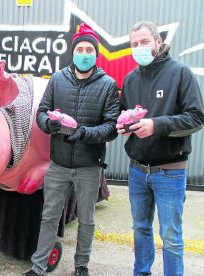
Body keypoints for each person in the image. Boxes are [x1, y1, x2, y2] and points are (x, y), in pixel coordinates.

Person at [24, 23, 120, 276]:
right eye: (80, 49)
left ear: (96, 55)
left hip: (89, 165)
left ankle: (81, 266)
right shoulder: (57, 79)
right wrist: (49, 124)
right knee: (49, 217)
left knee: (86, 221)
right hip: (58, 164)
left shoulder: (108, 85)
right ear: (73, 52)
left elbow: (111, 127)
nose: (84, 53)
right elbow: (41, 112)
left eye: (89, 49)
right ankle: (39, 267)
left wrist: (85, 133)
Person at [117, 21, 204, 276]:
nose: (139, 48)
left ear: (158, 41)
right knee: (140, 229)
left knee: (171, 236)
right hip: (137, 170)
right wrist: (123, 127)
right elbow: (126, 114)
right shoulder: (131, 79)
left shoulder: (180, 73)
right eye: (134, 44)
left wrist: (156, 125)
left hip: (170, 171)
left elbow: (196, 118)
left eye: (145, 42)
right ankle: (141, 272)